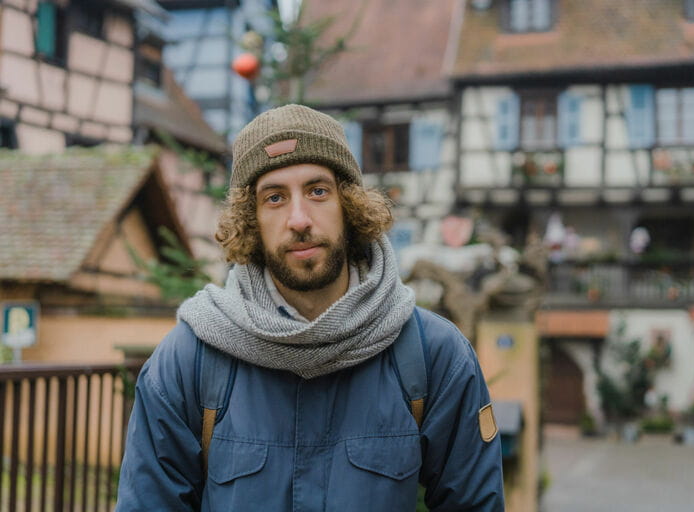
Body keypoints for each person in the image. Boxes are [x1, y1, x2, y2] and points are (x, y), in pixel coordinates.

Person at [116, 104, 504, 511]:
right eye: (275, 197)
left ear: (349, 206)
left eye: (318, 191)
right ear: (251, 220)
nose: (299, 219)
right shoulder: (189, 361)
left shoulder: (433, 356)